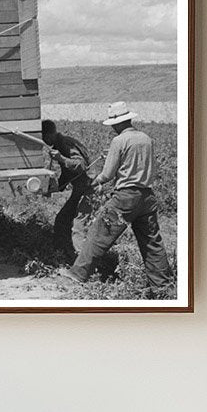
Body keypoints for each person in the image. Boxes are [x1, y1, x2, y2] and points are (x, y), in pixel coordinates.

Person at [62, 101, 173, 297]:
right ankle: (163, 286)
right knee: (152, 243)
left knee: (99, 233)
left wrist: (95, 182)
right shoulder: (146, 138)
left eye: (113, 124)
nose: (112, 127)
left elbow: (108, 174)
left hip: (125, 197)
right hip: (147, 196)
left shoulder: (119, 141)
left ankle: (78, 274)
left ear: (118, 122)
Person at [41, 119, 93, 261]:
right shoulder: (59, 143)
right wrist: (56, 188)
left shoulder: (65, 143)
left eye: (44, 138)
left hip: (88, 188)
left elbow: (81, 166)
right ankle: (64, 255)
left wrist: (61, 158)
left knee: (79, 226)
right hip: (81, 188)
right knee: (63, 220)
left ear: (48, 135)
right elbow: (67, 173)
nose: (45, 142)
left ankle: (82, 263)